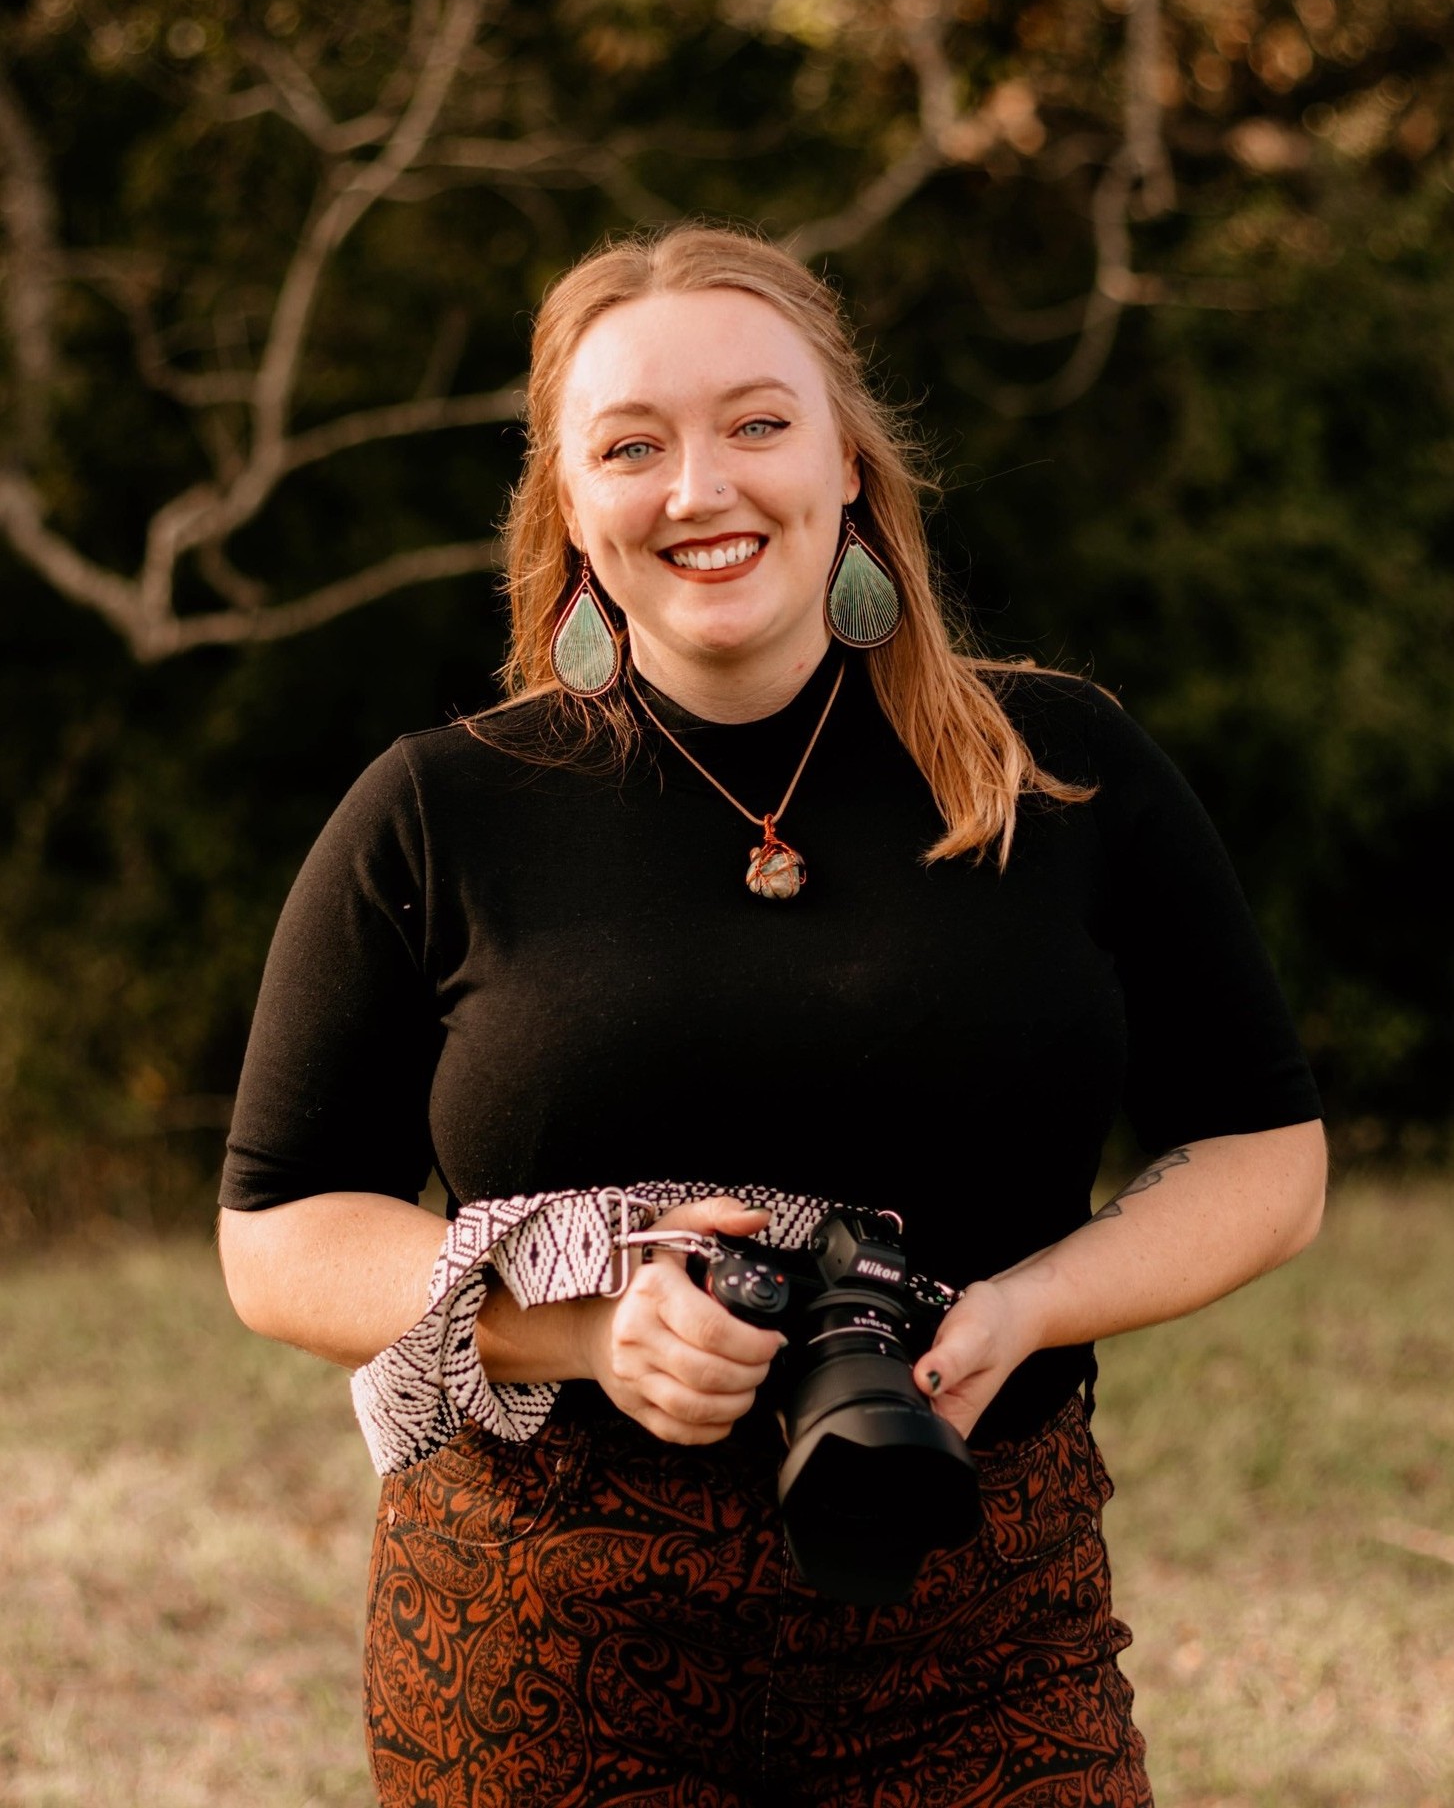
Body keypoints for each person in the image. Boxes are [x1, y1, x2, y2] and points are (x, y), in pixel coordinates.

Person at [218, 222, 1325, 1807]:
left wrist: (1019, 1310)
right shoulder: (436, 807)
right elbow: (277, 1234)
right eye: (630, 446)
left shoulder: (1057, 771)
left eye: (756, 421)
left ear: (849, 465)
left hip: (976, 1617)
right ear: (572, 515)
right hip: (543, 1648)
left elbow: (1265, 1153)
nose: (700, 487)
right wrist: (587, 1328)